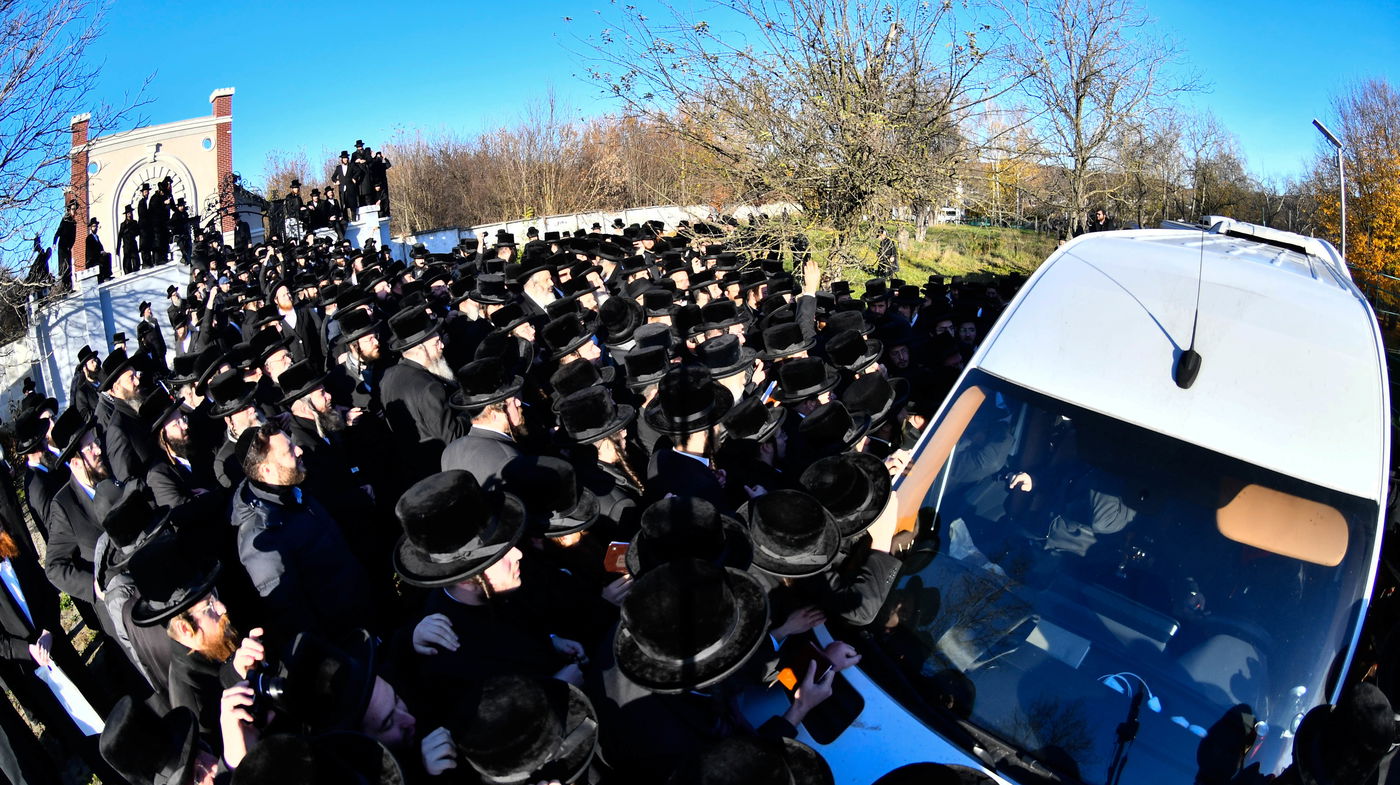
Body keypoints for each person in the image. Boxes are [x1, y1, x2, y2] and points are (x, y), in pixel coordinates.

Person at [53, 199, 78, 291]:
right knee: (64, 267)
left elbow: (73, 238)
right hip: (62, 247)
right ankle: (65, 288)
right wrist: (54, 242)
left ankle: (69, 287)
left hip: (67, 248)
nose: (74, 211)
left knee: (69, 267)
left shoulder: (74, 223)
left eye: (75, 209)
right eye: (72, 209)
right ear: (69, 210)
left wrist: (70, 246)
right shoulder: (65, 219)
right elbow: (58, 231)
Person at [119, 204, 141, 274]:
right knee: (127, 263)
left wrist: (132, 230)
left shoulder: (134, 222)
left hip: (133, 244)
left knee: (136, 262)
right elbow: (120, 236)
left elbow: (138, 232)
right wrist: (118, 248)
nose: (129, 215)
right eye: (128, 213)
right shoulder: (123, 224)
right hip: (126, 246)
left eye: (130, 213)